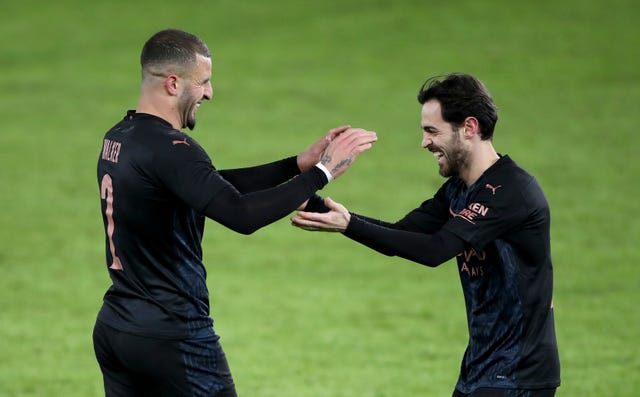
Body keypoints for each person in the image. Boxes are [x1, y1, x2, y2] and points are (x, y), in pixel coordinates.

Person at [93, 28, 377, 397]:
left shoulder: (120, 136)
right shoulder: (174, 148)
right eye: (204, 82)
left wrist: (296, 165)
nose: (209, 92)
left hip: (118, 327)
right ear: (174, 84)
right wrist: (323, 172)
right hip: (173, 333)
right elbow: (240, 214)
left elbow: (209, 187)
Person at [292, 73, 560, 397]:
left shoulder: (509, 191)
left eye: (432, 131)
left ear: (470, 128)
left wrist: (348, 225)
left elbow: (436, 250)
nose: (424, 142)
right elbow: (400, 234)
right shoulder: (459, 190)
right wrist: (321, 206)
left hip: (518, 375)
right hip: (481, 369)